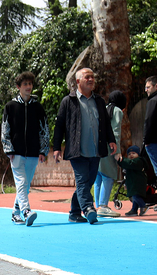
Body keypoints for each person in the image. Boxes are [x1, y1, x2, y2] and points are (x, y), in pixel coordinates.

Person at [52, 68, 117, 224]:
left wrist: (111, 140)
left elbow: (106, 124)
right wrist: (56, 147)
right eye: (87, 77)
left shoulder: (99, 101)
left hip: (95, 150)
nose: (91, 79)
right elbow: (59, 125)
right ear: (78, 81)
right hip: (77, 151)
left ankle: (74, 213)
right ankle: (88, 208)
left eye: (92, 77)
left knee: (88, 182)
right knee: (82, 181)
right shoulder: (68, 101)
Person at [1, 71, 49, 226]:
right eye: (25, 84)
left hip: (34, 152)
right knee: (21, 182)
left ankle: (15, 213)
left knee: (26, 184)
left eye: (30, 84)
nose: (28, 87)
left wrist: (43, 150)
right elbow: (5, 129)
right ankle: (26, 211)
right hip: (17, 152)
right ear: (18, 87)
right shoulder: (10, 107)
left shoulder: (38, 107)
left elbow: (44, 130)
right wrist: (9, 149)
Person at [94, 90, 126, 217]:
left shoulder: (103, 108)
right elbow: (115, 131)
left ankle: (97, 206)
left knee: (98, 177)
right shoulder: (117, 111)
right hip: (109, 147)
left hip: (97, 146)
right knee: (108, 176)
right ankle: (103, 206)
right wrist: (117, 151)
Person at [116, 146, 150, 216]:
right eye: (129, 154)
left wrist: (121, 160)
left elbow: (129, 163)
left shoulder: (139, 161)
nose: (131, 155)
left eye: (133, 153)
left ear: (138, 154)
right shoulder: (131, 163)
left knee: (135, 196)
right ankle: (134, 210)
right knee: (135, 196)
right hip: (133, 183)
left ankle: (143, 206)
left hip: (138, 183)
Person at [144, 76, 157, 177]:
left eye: (148, 87)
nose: (146, 90)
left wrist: (146, 140)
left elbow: (148, 121)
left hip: (153, 141)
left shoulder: (152, 101)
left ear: (156, 86)